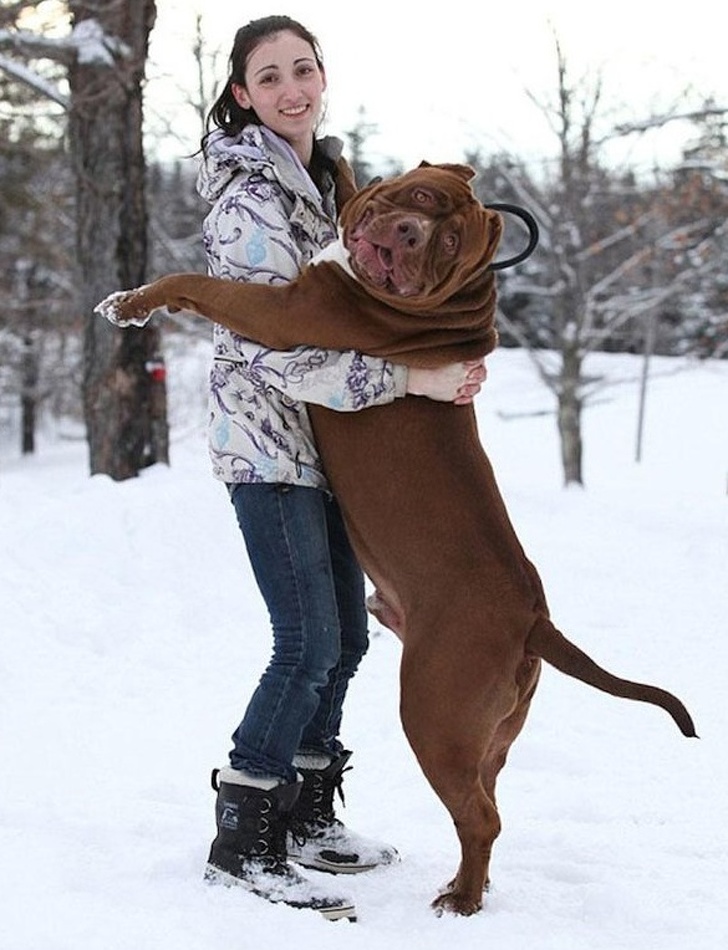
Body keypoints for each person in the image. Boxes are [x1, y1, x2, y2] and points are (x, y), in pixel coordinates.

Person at [197, 15, 486, 920]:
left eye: (303, 69)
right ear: (242, 94)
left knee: (348, 639)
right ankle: (245, 835)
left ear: (323, 77)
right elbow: (272, 350)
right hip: (267, 444)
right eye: (269, 77)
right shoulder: (248, 201)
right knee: (307, 641)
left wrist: (440, 357)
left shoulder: (332, 185)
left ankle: (307, 814)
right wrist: (410, 380)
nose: (292, 89)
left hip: (334, 449)